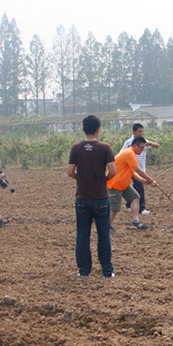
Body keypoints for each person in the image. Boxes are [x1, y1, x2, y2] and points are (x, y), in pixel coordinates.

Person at [67, 115, 117, 279]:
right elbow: (113, 171)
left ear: (83, 130)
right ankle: (106, 272)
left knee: (82, 235)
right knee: (103, 235)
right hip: (101, 197)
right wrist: (103, 180)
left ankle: (84, 271)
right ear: (98, 130)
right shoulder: (105, 148)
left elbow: (69, 172)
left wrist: (80, 178)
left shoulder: (76, 148)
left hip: (82, 197)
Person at [108, 137, 157, 229]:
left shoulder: (130, 153)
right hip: (115, 183)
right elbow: (137, 170)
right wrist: (150, 180)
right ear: (135, 145)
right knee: (115, 209)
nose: (143, 150)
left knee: (135, 197)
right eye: (141, 147)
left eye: (144, 148)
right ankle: (106, 226)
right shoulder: (129, 153)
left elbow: (132, 172)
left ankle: (136, 222)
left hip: (123, 183)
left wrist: (143, 180)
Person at [121, 123, 159, 215]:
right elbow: (121, 154)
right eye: (139, 131)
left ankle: (129, 204)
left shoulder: (144, 141)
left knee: (136, 187)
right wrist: (150, 180)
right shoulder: (128, 143)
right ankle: (141, 209)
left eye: (142, 131)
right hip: (133, 169)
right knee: (139, 187)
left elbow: (156, 145)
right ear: (134, 131)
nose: (141, 133)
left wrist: (150, 144)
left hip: (141, 169)